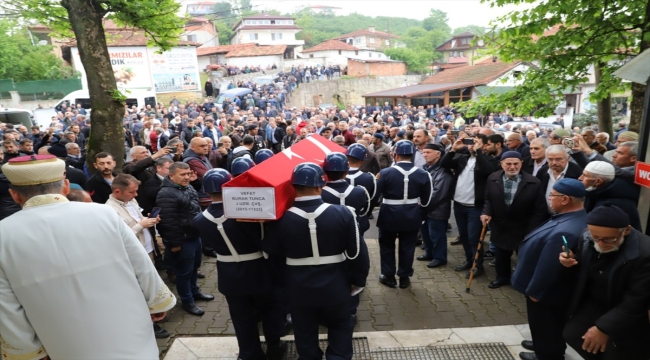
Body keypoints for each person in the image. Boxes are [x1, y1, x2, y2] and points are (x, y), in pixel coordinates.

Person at [0, 154, 175, 359]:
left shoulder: (4, 233)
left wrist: (28, 350)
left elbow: (6, 304)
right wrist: (156, 302)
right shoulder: (104, 214)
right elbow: (141, 263)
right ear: (66, 186)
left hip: (63, 343)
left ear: (14, 195)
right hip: (129, 332)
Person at [263, 163, 369, 360]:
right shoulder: (344, 213)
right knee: (340, 327)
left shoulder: (280, 220)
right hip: (336, 283)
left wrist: (283, 283)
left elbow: (271, 253)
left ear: (293, 187)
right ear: (321, 186)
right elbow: (358, 254)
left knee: (304, 331)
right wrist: (357, 282)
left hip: (298, 286)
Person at [193, 169, 286, 360]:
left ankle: (249, 353)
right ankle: (275, 347)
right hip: (259, 270)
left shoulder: (199, 220)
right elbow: (264, 242)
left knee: (241, 317)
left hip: (229, 273)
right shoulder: (247, 214)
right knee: (270, 310)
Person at [560, 204, 650, 360]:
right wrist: (571, 262)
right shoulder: (587, 236)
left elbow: (637, 300)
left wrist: (603, 328)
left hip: (627, 312)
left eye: (609, 239)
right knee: (572, 334)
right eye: (596, 238)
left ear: (626, 230)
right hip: (596, 303)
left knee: (617, 353)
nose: (600, 244)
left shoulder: (645, 254)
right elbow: (584, 270)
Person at [512, 178, 588, 360]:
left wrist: (536, 291)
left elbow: (549, 267)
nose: (549, 198)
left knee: (545, 322)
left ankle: (547, 353)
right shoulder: (572, 218)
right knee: (546, 325)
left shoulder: (567, 230)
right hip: (548, 290)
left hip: (545, 291)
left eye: (552, 195)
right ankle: (543, 343)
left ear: (565, 199)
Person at [104, 174, 168, 339]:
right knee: (140, 290)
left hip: (147, 250)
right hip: (133, 257)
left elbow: (137, 218)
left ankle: (154, 315)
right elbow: (116, 238)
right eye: (132, 192)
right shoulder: (109, 210)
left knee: (149, 286)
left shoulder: (130, 201)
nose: (136, 195)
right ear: (118, 191)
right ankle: (148, 324)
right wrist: (141, 225)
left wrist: (149, 220)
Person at [480, 151, 547, 289]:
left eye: (516, 163)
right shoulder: (493, 178)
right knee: (501, 255)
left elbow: (539, 210)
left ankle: (523, 281)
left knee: (524, 257)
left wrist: (532, 230)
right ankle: (502, 278)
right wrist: (486, 212)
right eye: (508, 164)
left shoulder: (533, 182)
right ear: (501, 164)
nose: (512, 167)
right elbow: (488, 199)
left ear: (521, 163)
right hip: (500, 225)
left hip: (523, 227)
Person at [156, 162, 214, 316]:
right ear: (171, 175)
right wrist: (174, 243)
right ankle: (187, 301)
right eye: (183, 174)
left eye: (188, 173)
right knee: (184, 272)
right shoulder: (166, 193)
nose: (187, 177)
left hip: (194, 235)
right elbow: (168, 222)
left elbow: (193, 207)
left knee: (194, 267)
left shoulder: (186, 187)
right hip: (182, 240)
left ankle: (195, 292)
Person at [321, 152, 371, 324]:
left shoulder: (320, 193)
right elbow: (365, 211)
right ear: (346, 171)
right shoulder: (359, 191)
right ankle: (350, 311)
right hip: (354, 238)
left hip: (327, 240)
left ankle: (328, 309)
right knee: (353, 271)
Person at [440, 134, 499, 279]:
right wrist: (453, 149)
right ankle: (469, 260)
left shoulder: (489, 160)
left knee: (474, 238)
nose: (472, 145)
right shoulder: (462, 158)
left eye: (476, 143)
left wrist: (479, 152)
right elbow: (444, 163)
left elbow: (488, 171)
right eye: (471, 143)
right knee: (464, 236)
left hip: (475, 206)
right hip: (459, 204)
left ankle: (477, 266)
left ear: (484, 146)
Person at [376, 140, 433, 289]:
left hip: (388, 213)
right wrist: (421, 215)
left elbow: (375, 196)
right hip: (412, 214)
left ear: (395, 154)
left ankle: (388, 276)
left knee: (387, 246)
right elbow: (426, 201)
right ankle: (404, 277)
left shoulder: (385, 172)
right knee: (408, 247)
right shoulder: (423, 173)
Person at [420, 143, 453, 268]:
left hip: (437, 210)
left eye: (428, 152)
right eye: (424, 152)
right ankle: (429, 253)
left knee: (437, 235)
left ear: (438, 154)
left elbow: (439, 194)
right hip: (425, 209)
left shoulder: (443, 171)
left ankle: (440, 258)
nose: (425, 155)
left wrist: (422, 204)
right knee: (426, 234)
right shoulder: (425, 168)